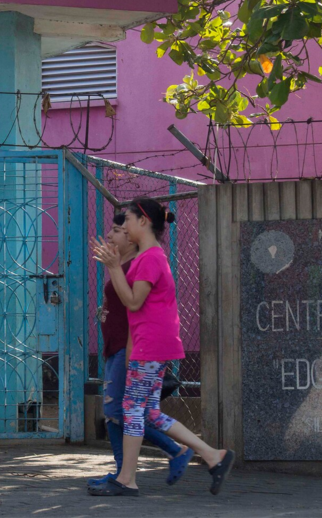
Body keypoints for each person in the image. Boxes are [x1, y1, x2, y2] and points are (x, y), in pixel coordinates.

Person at [89, 198, 234, 497]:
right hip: (149, 345)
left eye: (127, 220)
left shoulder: (152, 258)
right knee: (149, 413)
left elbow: (132, 301)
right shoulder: (148, 256)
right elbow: (134, 312)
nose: (123, 227)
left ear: (143, 221)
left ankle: (126, 479)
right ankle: (212, 456)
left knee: (131, 410)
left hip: (153, 346)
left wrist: (114, 266)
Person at [87, 213, 195, 490]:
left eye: (118, 230)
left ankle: (168, 455)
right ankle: (124, 473)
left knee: (122, 412)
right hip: (118, 348)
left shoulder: (140, 263)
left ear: (132, 238)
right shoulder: (123, 264)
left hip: (131, 349)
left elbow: (136, 307)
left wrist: (131, 352)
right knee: (124, 412)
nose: (110, 235)